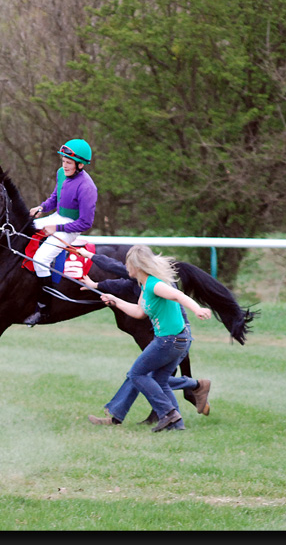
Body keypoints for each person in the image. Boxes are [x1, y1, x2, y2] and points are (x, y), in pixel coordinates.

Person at [75, 246, 212, 427]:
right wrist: (115, 301)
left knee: (137, 374)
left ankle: (168, 413)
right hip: (174, 340)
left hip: (169, 341)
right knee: (159, 381)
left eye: (127, 263)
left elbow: (178, 295)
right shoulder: (144, 286)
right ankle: (176, 424)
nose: (125, 266)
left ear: (136, 265)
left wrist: (197, 309)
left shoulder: (156, 285)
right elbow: (139, 312)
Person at [22, 139, 98, 327]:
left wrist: (57, 228)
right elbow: (55, 199)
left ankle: (44, 308)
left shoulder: (87, 188)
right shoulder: (61, 174)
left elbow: (85, 223)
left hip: (72, 227)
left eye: (69, 163)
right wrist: (41, 208)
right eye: (63, 161)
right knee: (23, 229)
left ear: (80, 165)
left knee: (40, 259)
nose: (64, 165)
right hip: (57, 217)